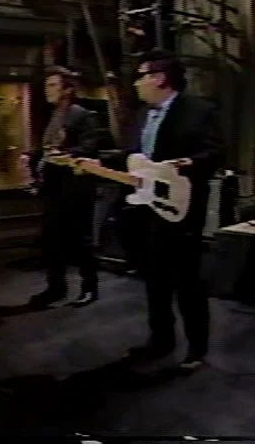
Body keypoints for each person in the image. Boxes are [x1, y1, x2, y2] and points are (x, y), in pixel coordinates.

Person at [101, 49, 225, 371]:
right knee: (154, 279)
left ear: (159, 78)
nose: (136, 83)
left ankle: (196, 348)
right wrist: (96, 162)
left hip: (180, 208)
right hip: (143, 207)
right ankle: (161, 339)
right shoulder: (140, 115)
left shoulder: (199, 110)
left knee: (187, 281)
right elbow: (132, 157)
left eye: (141, 76)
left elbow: (214, 153)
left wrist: (188, 164)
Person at [25, 66, 103, 308]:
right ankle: (55, 287)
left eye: (53, 85)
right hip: (54, 188)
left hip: (75, 188)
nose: (47, 90)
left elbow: (90, 147)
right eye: (46, 85)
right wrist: (31, 156)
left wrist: (66, 154)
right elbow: (47, 149)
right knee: (51, 240)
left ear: (67, 90)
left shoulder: (82, 115)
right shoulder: (54, 116)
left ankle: (89, 287)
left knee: (81, 240)